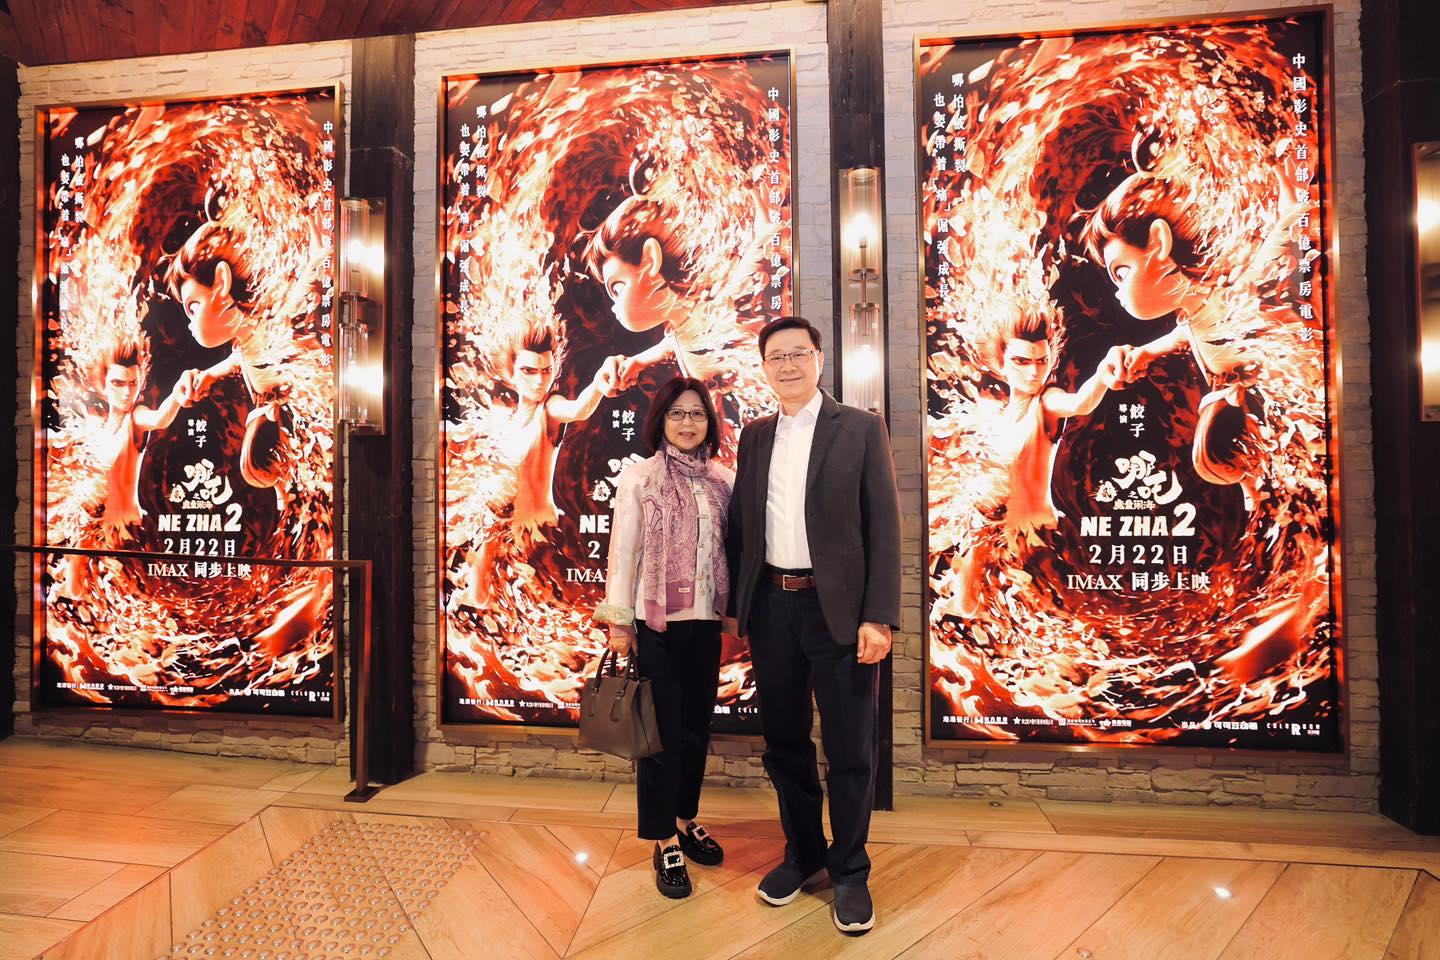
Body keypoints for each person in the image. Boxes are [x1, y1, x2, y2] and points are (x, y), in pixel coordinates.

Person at [724, 316, 901, 935]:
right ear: (764, 368)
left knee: (850, 747)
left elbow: (884, 527)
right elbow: (742, 529)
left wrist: (878, 616)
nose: (789, 365)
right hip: (773, 609)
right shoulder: (754, 436)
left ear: (819, 360)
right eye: (777, 357)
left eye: (799, 353)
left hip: (841, 614)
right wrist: (738, 606)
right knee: (785, 744)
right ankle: (804, 854)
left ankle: (850, 869)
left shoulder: (861, 428)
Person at [593, 376, 735, 899]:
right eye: (677, 413)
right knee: (660, 736)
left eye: (697, 413)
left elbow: (731, 549)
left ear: (709, 422)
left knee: (696, 729)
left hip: (705, 623)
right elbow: (623, 551)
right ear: (661, 420)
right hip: (656, 627)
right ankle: (663, 840)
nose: (687, 422)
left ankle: (684, 818)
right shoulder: (641, 477)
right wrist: (619, 622)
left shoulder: (723, 480)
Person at [1079, 172, 1266, 509]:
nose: (1119, 293)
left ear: (1158, 243)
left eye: (1121, 273)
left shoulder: (1236, 298)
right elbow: (1189, 334)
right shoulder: (1200, 313)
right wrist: (1146, 352)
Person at [956, 308, 1127, 617]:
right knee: (968, 613)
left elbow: (1079, 403)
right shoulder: (992, 420)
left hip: (1039, 546)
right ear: (1001, 362)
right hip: (992, 545)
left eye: (1041, 361)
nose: (1034, 372)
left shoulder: (1047, 401)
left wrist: (1103, 374)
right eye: (1021, 362)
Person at [450, 318, 623, 610]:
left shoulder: (550, 408)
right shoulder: (502, 422)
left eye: (546, 371)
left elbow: (578, 409)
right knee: (479, 602)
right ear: (511, 372)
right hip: (495, 535)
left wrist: (598, 383)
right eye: (529, 371)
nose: (539, 381)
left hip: (535, 539)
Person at [60, 336, 195, 597]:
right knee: (76, 594)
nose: (126, 392)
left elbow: (159, 419)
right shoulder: (95, 429)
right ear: (103, 385)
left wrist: (178, 393)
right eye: (118, 383)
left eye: (133, 383)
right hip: (90, 532)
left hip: (125, 537)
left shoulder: (136, 417)